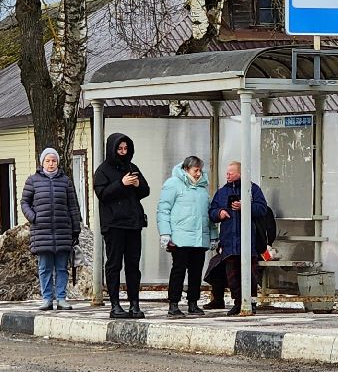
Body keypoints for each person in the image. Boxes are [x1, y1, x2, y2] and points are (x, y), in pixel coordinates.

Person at [92, 133, 151, 319]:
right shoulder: (102, 171)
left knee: (133, 265)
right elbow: (103, 194)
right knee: (114, 265)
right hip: (114, 224)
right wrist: (121, 183)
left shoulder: (132, 167)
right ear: (112, 149)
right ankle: (115, 305)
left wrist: (137, 184)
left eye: (126, 148)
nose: (123, 152)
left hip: (133, 223)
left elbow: (145, 191)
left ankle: (134, 304)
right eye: (119, 149)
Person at [205, 160, 273, 313]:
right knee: (233, 275)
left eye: (231, 173)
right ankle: (237, 302)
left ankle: (251, 302)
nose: (227, 175)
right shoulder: (222, 192)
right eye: (227, 173)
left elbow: (263, 209)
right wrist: (220, 213)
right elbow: (212, 212)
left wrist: (246, 206)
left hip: (249, 241)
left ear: (240, 174)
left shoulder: (253, 189)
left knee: (250, 274)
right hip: (229, 241)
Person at [21, 148, 81, 312]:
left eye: (54, 160)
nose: (51, 164)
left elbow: (73, 206)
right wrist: (34, 217)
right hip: (42, 231)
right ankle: (47, 299)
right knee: (45, 268)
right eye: (47, 161)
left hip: (63, 231)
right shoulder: (33, 181)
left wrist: (76, 229)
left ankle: (61, 298)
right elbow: (24, 202)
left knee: (62, 268)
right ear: (42, 163)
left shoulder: (66, 181)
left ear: (57, 162)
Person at [155, 156, 214, 318]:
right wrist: (165, 233)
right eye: (195, 170)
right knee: (178, 271)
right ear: (186, 169)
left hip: (199, 238)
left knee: (196, 272)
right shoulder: (173, 184)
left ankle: (193, 303)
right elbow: (163, 210)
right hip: (180, 238)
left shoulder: (202, 188)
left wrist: (213, 236)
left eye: (200, 170)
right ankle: (173, 304)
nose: (198, 173)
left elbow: (207, 215)